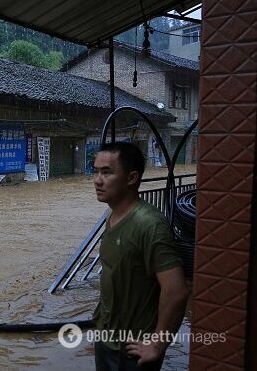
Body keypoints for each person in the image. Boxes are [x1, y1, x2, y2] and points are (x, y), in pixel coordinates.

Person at [92, 142, 189, 371]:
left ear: (131, 178)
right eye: (95, 171)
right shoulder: (114, 216)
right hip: (107, 340)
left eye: (107, 172)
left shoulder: (149, 225)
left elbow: (176, 292)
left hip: (132, 350)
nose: (97, 180)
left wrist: (157, 344)